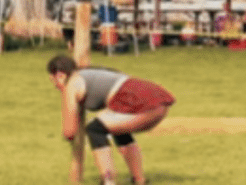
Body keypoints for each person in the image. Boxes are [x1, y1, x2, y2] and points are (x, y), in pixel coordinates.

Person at [47, 54, 174, 185]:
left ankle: (108, 181)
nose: (55, 86)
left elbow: (70, 131)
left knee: (94, 129)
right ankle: (139, 180)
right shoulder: (89, 73)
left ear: (60, 75)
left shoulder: (72, 83)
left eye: (53, 81)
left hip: (139, 101)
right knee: (116, 129)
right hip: (156, 99)